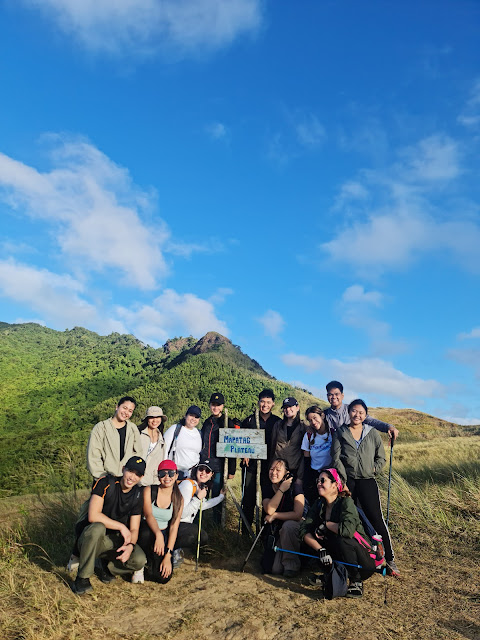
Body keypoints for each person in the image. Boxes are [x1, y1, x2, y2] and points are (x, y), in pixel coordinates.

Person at [332, 399, 399, 577]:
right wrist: (343, 479)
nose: (357, 415)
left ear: (365, 415)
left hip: (368, 481)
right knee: (350, 519)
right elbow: (336, 457)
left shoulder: (372, 433)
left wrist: (374, 469)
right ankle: (357, 558)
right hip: (349, 482)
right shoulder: (341, 432)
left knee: (376, 519)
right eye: (354, 411)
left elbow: (381, 457)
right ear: (349, 412)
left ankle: (390, 558)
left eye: (361, 412)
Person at [70, 456, 147, 595]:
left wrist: (130, 546)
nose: (132, 477)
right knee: (98, 527)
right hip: (90, 538)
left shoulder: (137, 494)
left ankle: (105, 567)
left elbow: (134, 528)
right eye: (130, 471)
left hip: (112, 540)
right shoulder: (105, 483)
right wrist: (122, 527)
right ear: (123, 469)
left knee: (139, 560)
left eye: (137, 474)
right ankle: (82, 578)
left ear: (141, 477)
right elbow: (93, 516)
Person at [299, 468, 377, 598]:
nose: (319, 483)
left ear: (335, 485)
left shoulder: (346, 502)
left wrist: (326, 525)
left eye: (323, 480)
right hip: (338, 554)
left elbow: (347, 530)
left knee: (342, 539)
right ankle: (330, 574)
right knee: (315, 536)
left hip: (362, 561)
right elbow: (304, 529)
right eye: (318, 480)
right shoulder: (319, 505)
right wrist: (320, 550)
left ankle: (356, 581)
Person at [135, 460, 183, 584]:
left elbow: (174, 526)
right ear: (158, 476)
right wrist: (158, 534)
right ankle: (140, 563)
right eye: (163, 474)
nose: (167, 477)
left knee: (163, 578)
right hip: (148, 531)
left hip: (164, 534)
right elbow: (148, 514)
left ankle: (151, 564)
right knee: (145, 534)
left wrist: (168, 554)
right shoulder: (149, 490)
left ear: (176, 475)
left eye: (171, 473)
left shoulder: (179, 498)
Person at [240, 389, 278, 535]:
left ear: (273, 404)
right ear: (258, 402)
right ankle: (245, 533)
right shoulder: (249, 420)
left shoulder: (277, 422)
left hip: (269, 468)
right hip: (250, 467)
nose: (265, 405)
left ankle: (264, 535)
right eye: (263, 401)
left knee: (266, 501)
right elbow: (240, 440)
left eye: (268, 402)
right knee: (248, 500)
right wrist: (244, 454)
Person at [261, 458, 304, 577]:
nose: (273, 472)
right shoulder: (268, 488)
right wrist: (281, 490)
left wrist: (275, 515)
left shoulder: (295, 487)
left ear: (286, 474)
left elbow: (297, 514)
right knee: (275, 570)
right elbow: (269, 509)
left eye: (278, 470)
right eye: (271, 469)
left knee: (288, 526)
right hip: (278, 532)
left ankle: (292, 565)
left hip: (293, 528)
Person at [200, 392, 236, 523]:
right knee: (202, 495)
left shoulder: (227, 423)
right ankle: (200, 522)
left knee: (217, 496)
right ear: (210, 406)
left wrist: (232, 470)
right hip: (205, 465)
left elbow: (233, 447)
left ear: (222, 406)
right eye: (213, 405)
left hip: (219, 466)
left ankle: (216, 524)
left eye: (218, 405)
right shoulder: (206, 423)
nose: (215, 408)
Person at [86, 396, 141, 481]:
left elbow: (138, 453)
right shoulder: (101, 427)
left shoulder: (133, 429)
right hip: (105, 479)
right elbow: (94, 455)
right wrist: (102, 478)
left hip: (126, 481)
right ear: (117, 407)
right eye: (124, 408)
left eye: (130, 411)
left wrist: (132, 475)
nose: (126, 412)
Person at [324, 381, 399, 440]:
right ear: (327, 396)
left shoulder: (352, 410)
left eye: (336, 394)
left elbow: (371, 421)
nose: (333, 397)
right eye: (330, 394)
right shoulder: (324, 415)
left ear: (342, 396)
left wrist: (389, 427)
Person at [176, 461, 225, 550]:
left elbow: (202, 506)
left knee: (199, 536)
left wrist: (220, 497)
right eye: (201, 469)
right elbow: (181, 514)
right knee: (201, 536)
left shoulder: (199, 487)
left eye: (207, 471)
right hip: (176, 524)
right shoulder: (187, 485)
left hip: (183, 525)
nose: (203, 473)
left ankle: (177, 551)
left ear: (211, 475)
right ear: (196, 471)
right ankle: (174, 550)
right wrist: (197, 498)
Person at [302, 405, 333, 506]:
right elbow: (306, 458)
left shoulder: (333, 433)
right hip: (314, 475)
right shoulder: (308, 435)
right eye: (310, 420)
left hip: (330, 475)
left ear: (322, 416)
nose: (313, 422)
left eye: (315, 418)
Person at [270, 397, 306, 483]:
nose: (287, 409)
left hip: (295, 469)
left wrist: (300, 475)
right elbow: (272, 445)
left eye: (290, 407)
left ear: (297, 408)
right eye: (285, 407)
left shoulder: (303, 426)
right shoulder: (278, 425)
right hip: (278, 470)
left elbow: (304, 453)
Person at [163, 405, 203, 479]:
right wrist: (165, 470)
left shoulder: (199, 433)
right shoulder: (175, 429)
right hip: (174, 473)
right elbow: (164, 450)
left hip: (193, 475)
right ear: (185, 416)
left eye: (196, 417)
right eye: (191, 415)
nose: (193, 419)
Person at [137, 406, 167, 486]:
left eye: (157, 417)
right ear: (147, 419)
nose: (155, 420)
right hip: (136, 478)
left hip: (154, 481)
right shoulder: (138, 434)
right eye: (151, 417)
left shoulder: (162, 439)